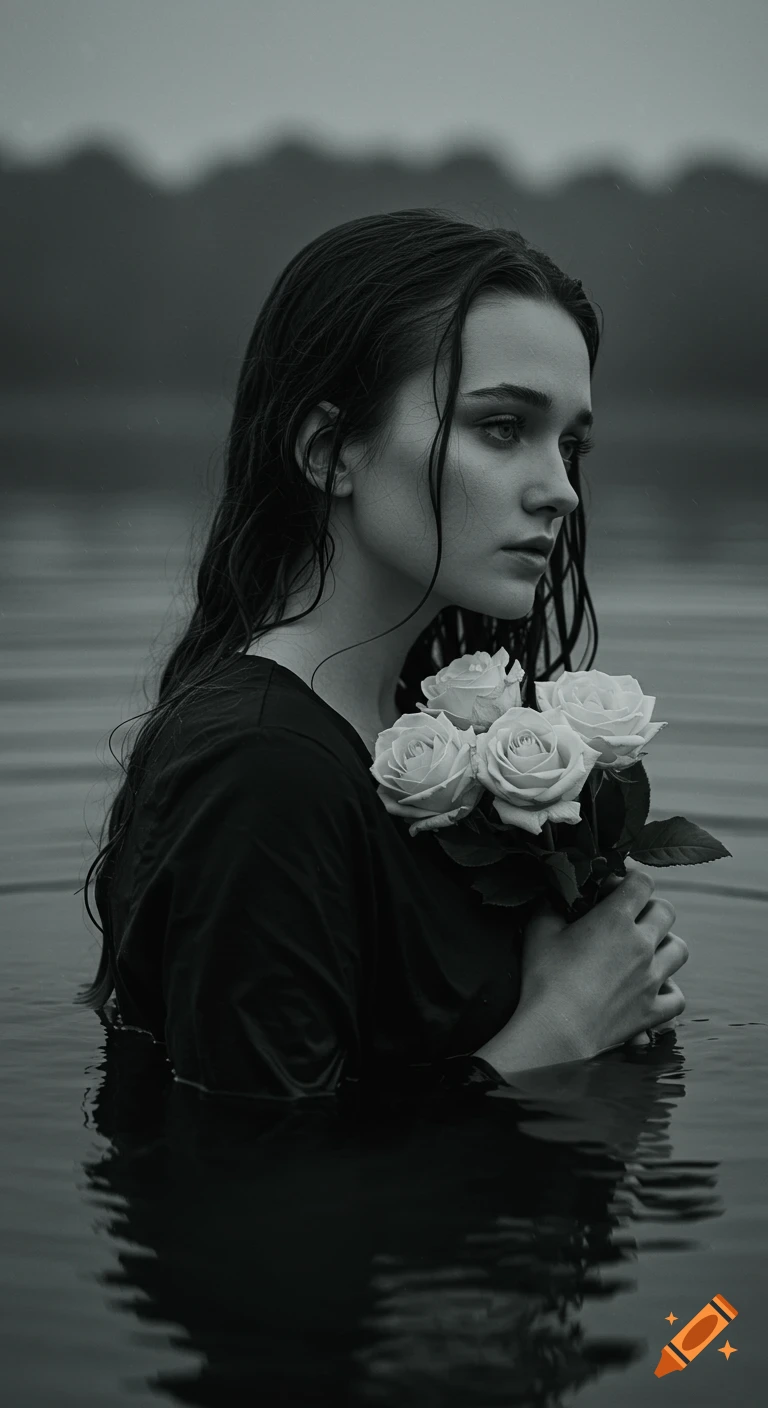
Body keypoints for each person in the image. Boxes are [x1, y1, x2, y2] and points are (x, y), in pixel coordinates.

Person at [75, 208, 688, 1104]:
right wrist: (561, 1028)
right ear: (331, 452)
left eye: (571, 443)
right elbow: (248, 1188)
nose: (560, 489)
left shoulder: (410, 736)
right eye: (503, 427)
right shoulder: (264, 768)